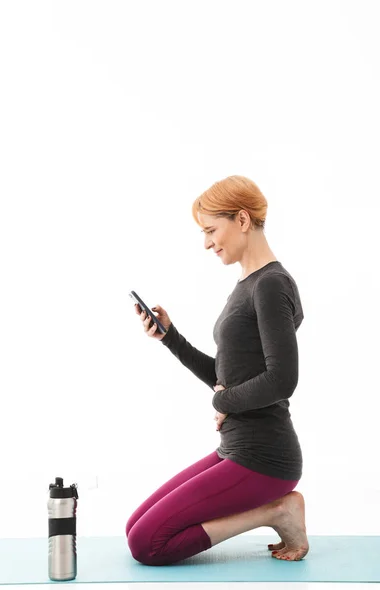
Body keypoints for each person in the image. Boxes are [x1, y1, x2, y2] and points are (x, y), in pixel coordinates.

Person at [125, 175, 309, 566]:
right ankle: (275, 511)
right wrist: (170, 338)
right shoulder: (248, 283)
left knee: (146, 545)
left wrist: (223, 400)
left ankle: (275, 512)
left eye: (211, 230)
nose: (207, 242)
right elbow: (229, 377)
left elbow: (282, 380)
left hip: (264, 457)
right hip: (235, 448)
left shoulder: (271, 285)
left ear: (242, 220)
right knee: (134, 527)